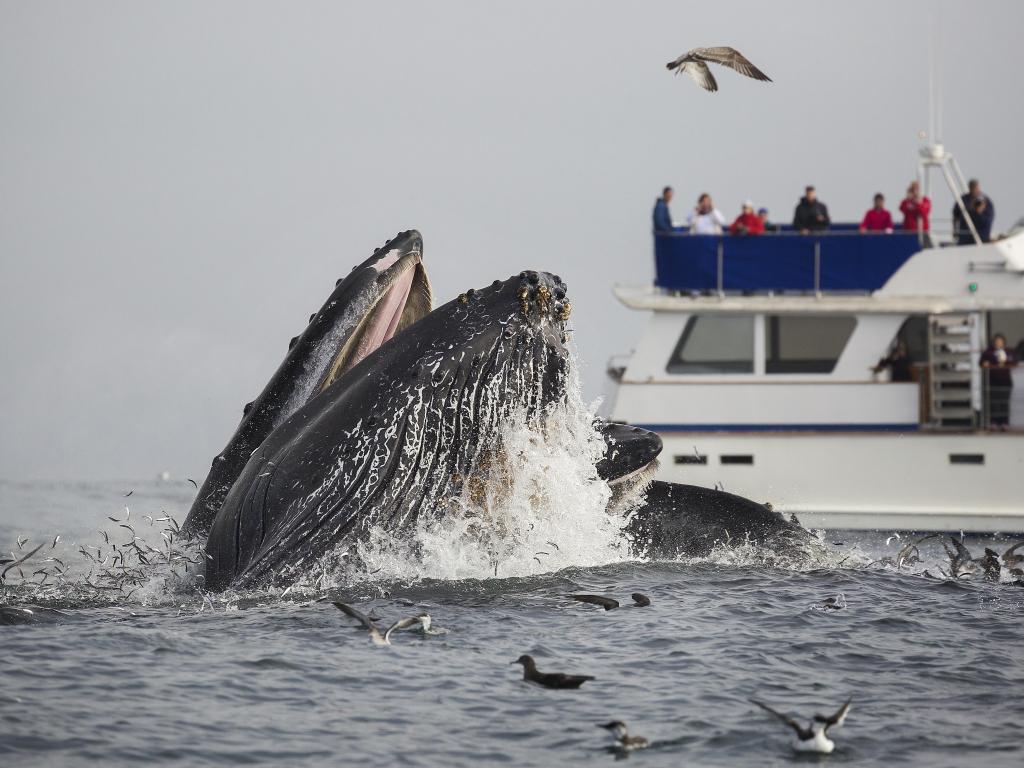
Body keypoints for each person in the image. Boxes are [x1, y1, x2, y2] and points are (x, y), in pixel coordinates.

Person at [980, 333, 1017, 429]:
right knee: (994, 402)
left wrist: (1005, 362)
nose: (998, 343)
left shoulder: (1008, 351)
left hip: (1005, 381)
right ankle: (994, 422)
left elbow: (1014, 361)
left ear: (1004, 343)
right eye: (997, 341)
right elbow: (981, 361)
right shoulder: (989, 352)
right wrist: (985, 363)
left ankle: (1004, 423)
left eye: (1000, 341)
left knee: (1004, 402)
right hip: (993, 381)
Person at [953, 179, 995, 244]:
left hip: (981, 237)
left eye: (976, 188)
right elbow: (955, 215)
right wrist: (955, 230)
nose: (974, 191)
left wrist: (979, 212)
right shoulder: (963, 200)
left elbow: (987, 221)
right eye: (972, 188)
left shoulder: (986, 201)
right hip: (965, 237)